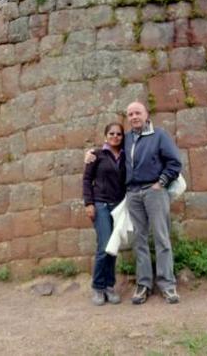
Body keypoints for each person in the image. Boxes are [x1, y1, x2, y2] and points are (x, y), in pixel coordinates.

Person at [85, 102, 182, 305]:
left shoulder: (159, 135)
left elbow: (174, 162)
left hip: (154, 191)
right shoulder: (127, 138)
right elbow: (108, 149)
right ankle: (143, 284)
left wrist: (161, 182)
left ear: (146, 114)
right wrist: (90, 154)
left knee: (161, 238)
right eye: (130, 114)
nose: (134, 116)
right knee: (139, 241)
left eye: (138, 112)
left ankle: (167, 284)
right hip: (133, 195)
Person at [83, 122, 126, 306]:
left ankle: (110, 286)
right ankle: (98, 287)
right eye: (111, 133)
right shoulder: (96, 155)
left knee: (113, 247)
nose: (115, 136)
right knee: (104, 246)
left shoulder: (126, 156)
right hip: (101, 204)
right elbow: (87, 179)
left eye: (118, 134)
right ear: (105, 136)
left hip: (119, 206)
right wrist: (89, 203)